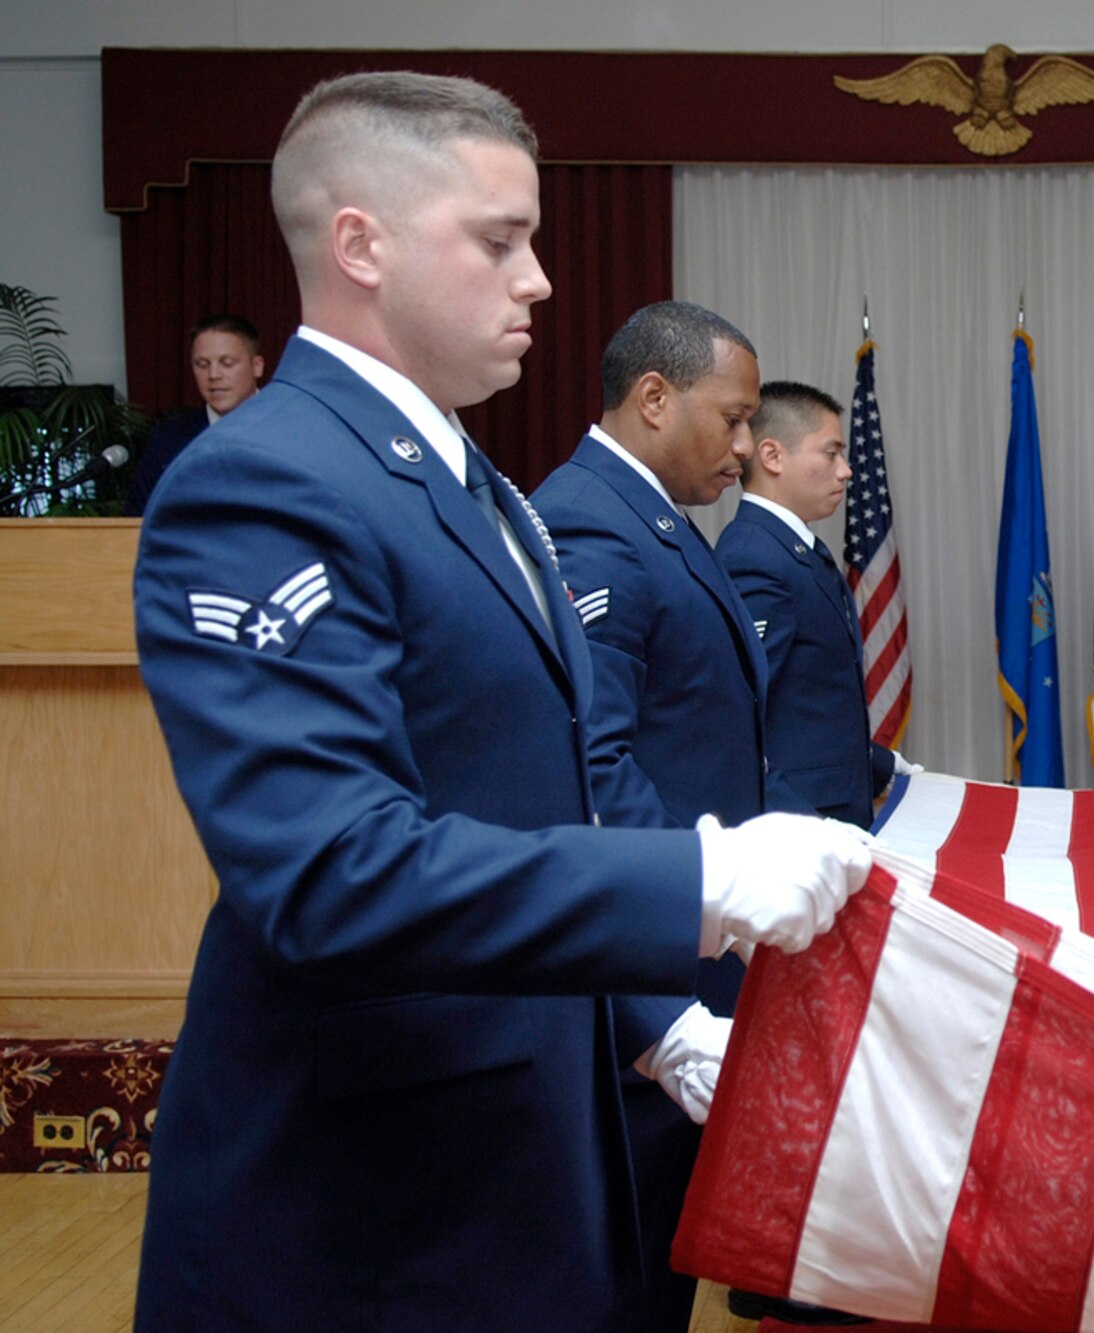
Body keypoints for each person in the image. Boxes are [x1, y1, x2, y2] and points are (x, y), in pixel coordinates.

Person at [130, 72, 870, 1331]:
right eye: (500, 240)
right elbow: (329, 868)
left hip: (528, 1141)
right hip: (376, 1206)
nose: (536, 279)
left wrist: (650, 1019)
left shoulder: (474, 483)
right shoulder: (261, 481)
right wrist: (692, 884)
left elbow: (548, 789)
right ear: (360, 244)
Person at [530, 301, 814, 1329]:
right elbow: (591, 763)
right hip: (643, 968)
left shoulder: (654, 519)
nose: (746, 446)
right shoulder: (591, 524)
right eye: (732, 418)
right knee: (627, 1277)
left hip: (690, 943)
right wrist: (707, 895)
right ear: (654, 398)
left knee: (664, 1260)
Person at [717, 380, 916, 829]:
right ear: (772, 457)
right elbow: (738, 718)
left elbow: (811, 701)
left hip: (833, 810)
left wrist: (883, 769)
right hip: (802, 824)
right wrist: (808, 827)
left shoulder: (792, 547)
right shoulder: (755, 556)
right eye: (830, 453)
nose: (845, 470)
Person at [123, 313, 264, 515]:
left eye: (227, 363)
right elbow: (135, 522)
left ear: (257, 366)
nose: (214, 375)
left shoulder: (291, 432)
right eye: (202, 364)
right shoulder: (168, 440)